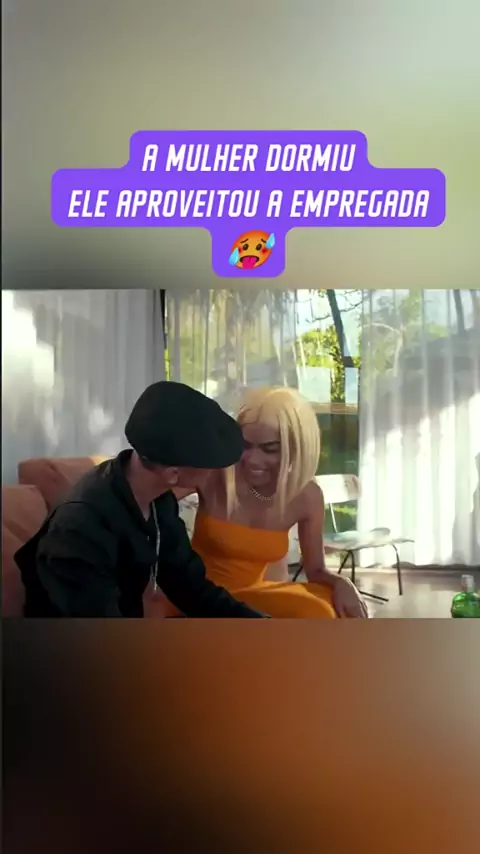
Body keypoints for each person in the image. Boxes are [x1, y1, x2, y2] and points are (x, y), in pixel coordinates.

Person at [15, 382, 270, 619]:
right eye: (210, 466)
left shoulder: (157, 500)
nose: (215, 472)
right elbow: (101, 633)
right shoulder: (81, 527)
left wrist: (263, 626)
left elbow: (190, 586)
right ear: (173, 474)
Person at [179, 386, 368, 618]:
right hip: (196, 595)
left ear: (296, 447)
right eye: (245, 445)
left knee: (327, 608)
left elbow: (316, 570)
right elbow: (148, 494)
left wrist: (343, 584)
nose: (252, 459)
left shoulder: (307, 497)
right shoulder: (214, 472)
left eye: (269, 449)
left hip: (250, 597)